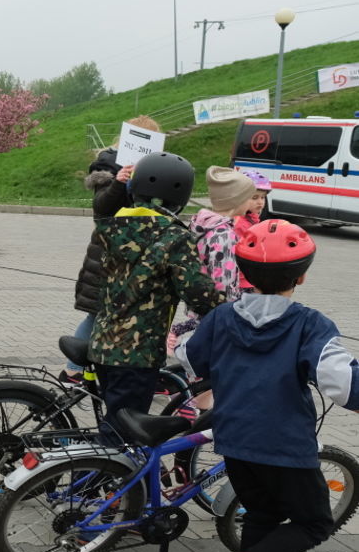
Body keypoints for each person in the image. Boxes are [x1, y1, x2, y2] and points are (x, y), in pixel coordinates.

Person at [178, 220, 359, 552]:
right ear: (302, 275)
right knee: (315, 522)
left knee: (263, 510)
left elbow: (191, 359)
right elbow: (342, 382)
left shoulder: (223, 316)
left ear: (245, 274)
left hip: (234, 436)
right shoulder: (309, 324)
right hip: (283, 443)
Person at [88, 151, 223, 436]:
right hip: (137, 354)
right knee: (123, 436)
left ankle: (102, 473)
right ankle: (101, 476)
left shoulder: (114, 226)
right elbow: (198, 292)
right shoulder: (173, 237)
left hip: (102, 343)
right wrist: (228, 308)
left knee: (116, 421)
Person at [64, 116, 160, 383]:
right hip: (108, 253)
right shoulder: (108, 166)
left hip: (136, 252)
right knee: (98, 312)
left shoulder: (152, 168)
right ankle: (72, 368)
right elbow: (102, 209)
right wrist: (120, 181)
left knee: (113, 313)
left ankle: (102, 367)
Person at [169, 166, 255, 346]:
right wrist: (231, 310)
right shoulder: (224, 235)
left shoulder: (203, 224)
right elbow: (223, 280)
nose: (251, 203)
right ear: (236, 201)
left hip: (201, 302)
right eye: (249, 198)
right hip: (218, 311)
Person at [234, 169, 272, 293]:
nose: (260, 202)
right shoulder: (239, 223)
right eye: (254, 197)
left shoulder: (253, 220)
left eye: (263, 197)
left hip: (252, 279)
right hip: (242, 282)